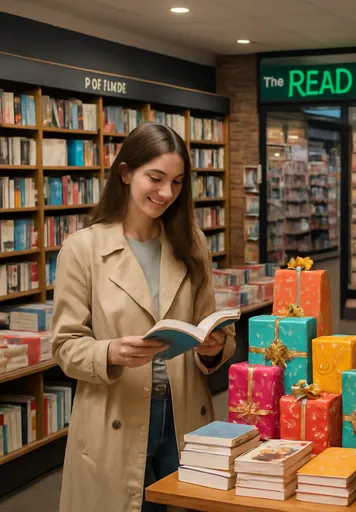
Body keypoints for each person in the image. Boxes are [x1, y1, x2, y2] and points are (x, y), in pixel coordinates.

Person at [51, 122, 236, 512]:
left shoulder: (192, 242)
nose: (166, 192)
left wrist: (213, 348)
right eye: (155, 178)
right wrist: (111, 352)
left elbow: (210, 324)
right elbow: (66, 347)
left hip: (184, 412)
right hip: (116, 413)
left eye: (177, 182)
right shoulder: (82, 249)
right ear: (125, 173)